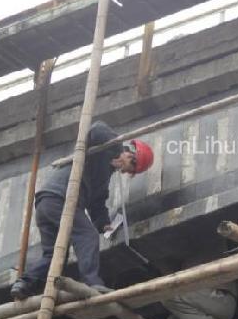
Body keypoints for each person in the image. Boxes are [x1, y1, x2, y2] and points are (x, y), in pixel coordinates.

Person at [10, 121, 154, 299]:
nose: (124, 172)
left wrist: (103, 223)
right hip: (60, 198)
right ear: (131, 156)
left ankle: (24, 283)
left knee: (55, 256)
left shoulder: (104, 174)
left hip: (46, 204)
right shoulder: (101, 151)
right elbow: (97, 129)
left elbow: (97, 202)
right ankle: (92, 282)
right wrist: (116, 150)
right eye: (130, 167)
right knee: (87, 235)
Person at [159, 236, 236, 319]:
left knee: (167, 295)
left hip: (221, 300)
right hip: (202, 308)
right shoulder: (185, 262)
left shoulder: (209, 243)